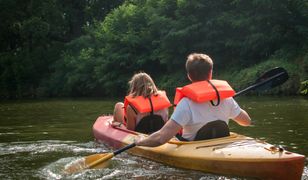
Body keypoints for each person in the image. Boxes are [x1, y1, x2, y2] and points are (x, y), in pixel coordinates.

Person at [136, 53, 251, 147]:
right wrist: (231, 104)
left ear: (189, 76)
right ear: (210, 73)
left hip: (194, 148)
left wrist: (139, 142)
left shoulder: (186, 104)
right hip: (221, 147)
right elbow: (246, 121)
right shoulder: (227, 99)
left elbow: (161, 138)